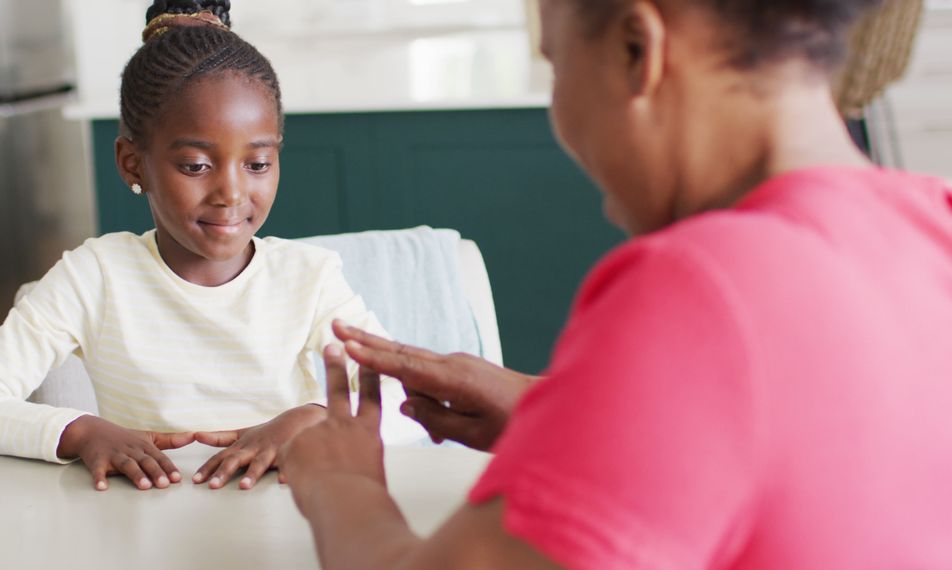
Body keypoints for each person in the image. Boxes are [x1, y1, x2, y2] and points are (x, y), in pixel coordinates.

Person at [277, 0, 952, 567]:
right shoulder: (933, 227)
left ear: (637, 48)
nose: (559, 108)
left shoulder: (701, 284)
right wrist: (556, 410)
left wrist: (340, 481)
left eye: (556, 64)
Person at [0, 0, 419, 493]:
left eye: (257, 164)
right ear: (132, 164)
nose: (231, 194)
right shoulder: (96, 276)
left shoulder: (310, 279)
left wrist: (315, 420)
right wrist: (79, 431)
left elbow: (410, 402)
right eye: (195, 166)